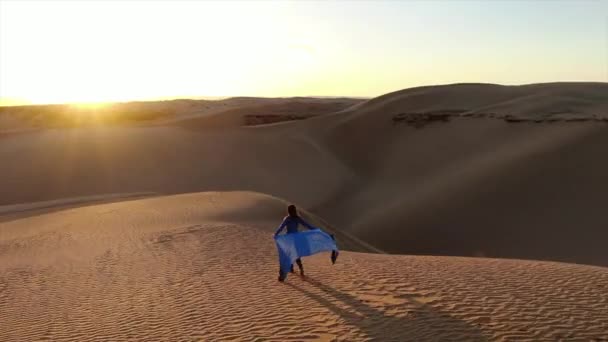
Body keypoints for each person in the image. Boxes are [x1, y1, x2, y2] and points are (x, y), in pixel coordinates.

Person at [274, 204, 316, 280]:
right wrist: (314, 229)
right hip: (296, 238)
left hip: (289, 239)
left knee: (286, 255)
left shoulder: (287, 218)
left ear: (289, 211)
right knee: (296, 254)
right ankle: (299, 269)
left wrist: (276, 234)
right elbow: (306, 225)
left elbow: (281, 227)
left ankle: (282, 275)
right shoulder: (297, 218)